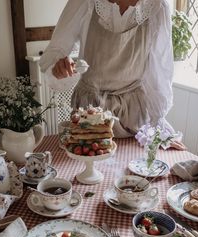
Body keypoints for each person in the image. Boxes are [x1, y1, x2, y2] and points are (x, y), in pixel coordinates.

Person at [40, 0, 185, 149]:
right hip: (89, 118)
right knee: (85, 169)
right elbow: (55, 51)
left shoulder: (157, 6)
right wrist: (59, 65)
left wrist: (158, 126)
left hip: (134, 120)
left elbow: (159, 72)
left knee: (136, 169)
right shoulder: (85, 2)